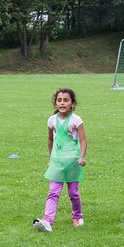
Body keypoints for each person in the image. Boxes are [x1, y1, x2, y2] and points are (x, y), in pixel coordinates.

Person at [34, 88, 88, 231]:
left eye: (66, 100)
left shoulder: (76, 120)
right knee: (53, 192)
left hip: (72, 162)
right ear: (55, 103)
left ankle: (77, 217)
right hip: (57, 162)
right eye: (59, 100)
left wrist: (82, 157)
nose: (62, 103)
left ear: (72, 103)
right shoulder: (52, 120)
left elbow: (83, 141)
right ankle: (47, 221)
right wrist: (50, 158)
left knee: (73, 193)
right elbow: (50, 139)